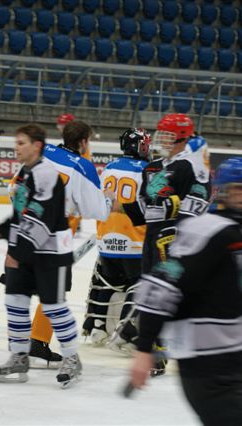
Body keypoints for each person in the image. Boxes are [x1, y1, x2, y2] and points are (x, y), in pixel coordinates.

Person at [128, 157, 242, 426]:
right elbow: (162, 289)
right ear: (223, 191)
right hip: (205, 366)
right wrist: (144, 349)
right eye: (240, 188)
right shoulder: (203, 230)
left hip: (237, 362)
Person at [0, 124, 83, 388]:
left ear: (37, 145)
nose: (16, 148)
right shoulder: (26, 174)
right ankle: (19, 356)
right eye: (16, 143)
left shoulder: (46, 175)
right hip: (26, 250)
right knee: (15, 301)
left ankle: (72, 358)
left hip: (50, 254)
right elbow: (21, 214)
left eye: (21, 143)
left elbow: (41, 221)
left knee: (53, 306)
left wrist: (18, 253)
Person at [120, 113, 211, 374]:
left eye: (168, 134)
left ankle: (183, 348)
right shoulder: (151, 167)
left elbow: (199, 201)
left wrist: (176, 227)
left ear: (183, 137)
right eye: (161, 133)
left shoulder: (193, 166)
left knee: (173, 294)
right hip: (152, 239)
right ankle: (154, 348)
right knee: (152, 290)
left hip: (176, 240)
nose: (162, 138)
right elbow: (143, 206)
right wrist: (117, 206)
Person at [24, 120, 113, 367]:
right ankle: (36, 343)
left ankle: (26, 344)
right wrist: (106, 200)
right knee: (55, 289)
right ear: (84, 142)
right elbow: (97, 210)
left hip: (27, 227)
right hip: (54, 235)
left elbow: (16, 188)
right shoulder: (82, 165)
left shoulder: (43, 152)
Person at [82, 128, 150, 348]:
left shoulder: (109, 168)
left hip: (106, 237)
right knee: (138, 284)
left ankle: (97, 327)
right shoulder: (148, 169)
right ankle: (125, 332)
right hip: (134, 239)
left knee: (107, 283)